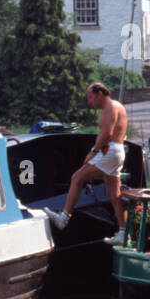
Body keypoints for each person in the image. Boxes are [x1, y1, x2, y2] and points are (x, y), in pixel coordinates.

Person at [45, 82, 129, 243]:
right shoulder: (117, 106)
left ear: (99, 94)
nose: (89, 102)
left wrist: (93, 151)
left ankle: (63, 218)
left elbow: (106, 133)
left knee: (77, 178)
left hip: (110, 151)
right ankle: (124, 233)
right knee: (114, 194)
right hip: (118, 150)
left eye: (90, 97)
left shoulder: (109, 107)